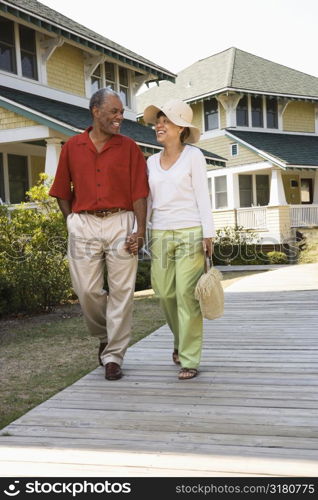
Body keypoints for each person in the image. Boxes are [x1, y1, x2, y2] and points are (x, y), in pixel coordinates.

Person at [49, 87, 149, 381]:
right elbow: (60, 191)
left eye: (121, 112)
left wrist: (140, 231)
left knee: (122, 292)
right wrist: (72, 222)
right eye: (114, 112)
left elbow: (140, 193)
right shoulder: (72, 147)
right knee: (87, 291)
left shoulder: (129, 147)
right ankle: (105, 334)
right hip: (85, 223)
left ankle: (114, 356)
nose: (120, 117)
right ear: (96, 112)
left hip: (121, 221)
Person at [142, 98, 216, 380]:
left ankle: (189, 358)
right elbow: (148, 201)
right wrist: (141, 231)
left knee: (187, 295)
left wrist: (208, 233)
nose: (158, 125)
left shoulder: (193, 156)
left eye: (165, 120)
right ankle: (179, 341)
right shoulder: (150, 161)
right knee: (163, 293)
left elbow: (202, 196)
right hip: (160, 233)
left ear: (181, 128)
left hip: (190, 231)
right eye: (158, 121)